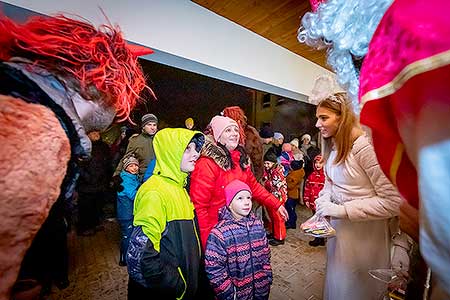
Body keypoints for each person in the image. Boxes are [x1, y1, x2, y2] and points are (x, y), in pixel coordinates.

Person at [0, 14, 152, 299]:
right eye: (120, 100)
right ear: (102, 86)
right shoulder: (37, 132)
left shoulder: (21, 103)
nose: (119, 111)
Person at [314, 92, 403, 300]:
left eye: (324, 118)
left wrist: (342, 210)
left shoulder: (365, 147)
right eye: (317, 117)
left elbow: (393, 202)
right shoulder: (334, 146)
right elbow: (331, 182)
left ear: (342, 117)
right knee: (338, 284)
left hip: (365, 237)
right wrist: (324, 199)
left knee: (356, 289)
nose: (317, 124)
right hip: (340, 234)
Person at [126, 128, 205, 299]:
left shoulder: (179, 188)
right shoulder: (154, 192)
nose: (195, 154)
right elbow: (140, 256)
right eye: (187, 149)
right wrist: (176, 285)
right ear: (170, 152)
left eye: (196, 149)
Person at [190, 116, 288, 250]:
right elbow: (199, 207)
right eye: (228, 130)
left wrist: (276, 204)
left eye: (236, 130)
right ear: (218, 136)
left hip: (236, 229)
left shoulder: (239, 160)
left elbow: (254, 187)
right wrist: (208, 243)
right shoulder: (206, 164)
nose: (234, 133)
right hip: (217, 233)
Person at [205, 180, 272, 300]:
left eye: (248, 198)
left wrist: (267, 277)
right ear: (229, 203)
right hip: (237, 295)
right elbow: (214, 268)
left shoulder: (257, 225)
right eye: (240, 198)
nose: (246, 202)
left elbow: (265, 254)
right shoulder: (220, 233)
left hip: (261, 290)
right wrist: (229, 293)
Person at [76, 130, 112, 236]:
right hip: (86, 183)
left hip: (101, 182)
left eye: (97, 132)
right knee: (85, 206)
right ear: (87, 134)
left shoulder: (104, 147)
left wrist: (108, 178)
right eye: (93, 132)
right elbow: (78, 164)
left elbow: (108, 163)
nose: (96, 134)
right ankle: (84, 228)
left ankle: (95, 224)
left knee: (97, 204)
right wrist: (87, 177)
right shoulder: (82, 146)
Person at [114, 113, 158, 179]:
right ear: (143, 126)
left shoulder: (159, 139)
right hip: (143, 177)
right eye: (149, 125)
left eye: (154, 125)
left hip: (158, 176)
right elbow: (126, 158)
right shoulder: (136, 141)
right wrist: (116, 175)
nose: (152, 128)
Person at [116, 156, 140, 266]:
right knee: (127, 236)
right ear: (126, 167)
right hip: (126, 215)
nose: (134, 168)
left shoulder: (133, 178)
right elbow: (133, 195)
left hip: (131, 213)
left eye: (136, 165)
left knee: (130, 236)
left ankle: (130, 256)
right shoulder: (124, 180)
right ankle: (124, 259)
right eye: (131, 166)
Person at [262, 151, 288, 246]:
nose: (266, 165)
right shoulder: (270, 170)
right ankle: (274, 233)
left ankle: (280, 237)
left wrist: (266, 183)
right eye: (265, 163)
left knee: (278, 218)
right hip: (271, 197)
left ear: (273, 163)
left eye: (268, 163)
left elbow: (275, 185)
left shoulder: (277, 172)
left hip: (278, 197)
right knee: (272, 216)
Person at [303, 155, 326, 247]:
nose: (317, 165)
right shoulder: (311, 176)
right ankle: (319, 238)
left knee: (322, 220)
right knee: (316, 221)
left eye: (320, 163)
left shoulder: (326, 176)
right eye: (316, 163)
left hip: (322, 204)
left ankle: (321, 238)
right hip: (313, 203)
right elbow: (307, 188)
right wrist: (307, 199)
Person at [285, 160, 305, 229]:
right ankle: (291, 222)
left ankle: (291, 223)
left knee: (290, 209)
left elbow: (290, 186)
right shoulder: (300, 172)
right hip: (294, 194)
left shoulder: (293, 176)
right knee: (292, 209)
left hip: (291, 195)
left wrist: (285, 182)